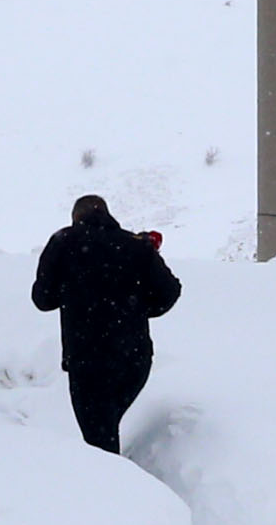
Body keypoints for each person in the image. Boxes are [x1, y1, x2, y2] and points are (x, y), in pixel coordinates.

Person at [29, 192, 182, 453]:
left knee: (99, 442)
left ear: (76, 218)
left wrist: (72, 291)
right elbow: (170, 291)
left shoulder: (63, 242)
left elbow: (42, 299)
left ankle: (111, 489)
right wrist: (138, 310)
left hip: (88, 360)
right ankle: (115, 482)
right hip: (134, 358)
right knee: (105, 429)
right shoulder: (136, 246)